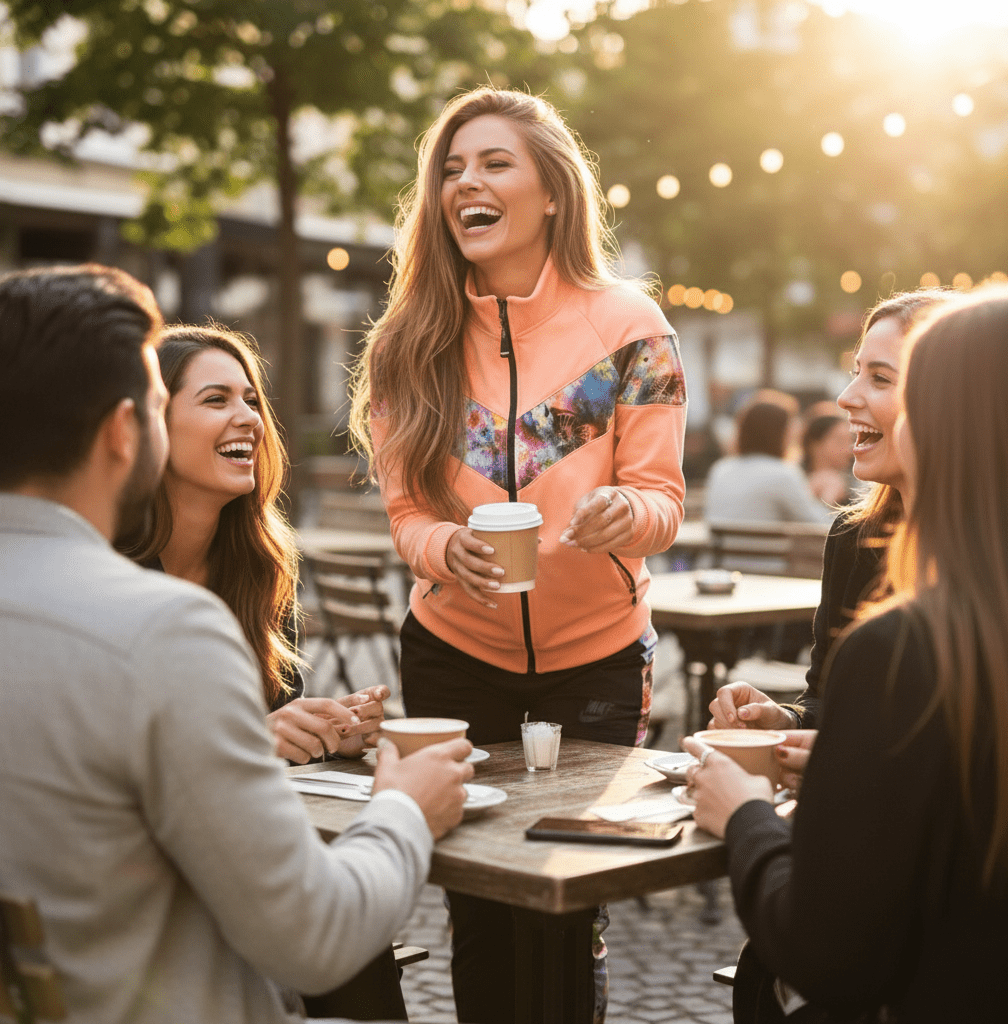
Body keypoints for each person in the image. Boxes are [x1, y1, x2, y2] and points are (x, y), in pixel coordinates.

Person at [0, 264, 474, 1024]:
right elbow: (315, 938)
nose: (246, 418)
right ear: (127, 432)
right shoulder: (158, 629)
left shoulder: (242, 578)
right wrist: (405, 807)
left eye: (251, 399)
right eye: (178, 403)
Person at [348, 87, 687, 1024]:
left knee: (569, 902)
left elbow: (664, 502)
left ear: (551, 192)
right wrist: (442, 547)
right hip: (454, 656)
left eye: (495, 164)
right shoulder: (406, 344)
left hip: (601, 656)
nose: (468, 184)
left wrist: (626, 510)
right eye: (452, 170)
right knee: (479, 904)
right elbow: (407, 514)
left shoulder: (631, 327)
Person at [683, 283, 1008, 1022]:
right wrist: (803, 726)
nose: (844, 400)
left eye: (893, 379)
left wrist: (745, 815)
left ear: (953, 416)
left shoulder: (908, 645)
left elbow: (833, 953)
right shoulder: (886, 569)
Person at [120, 324, 386, 765]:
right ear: (154, 424)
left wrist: (327, 734)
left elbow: (271, 729)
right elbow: (103, 750)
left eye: (251, 400)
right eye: (215, 399)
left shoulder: (261, 566)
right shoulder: (107, 572)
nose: (249, 418)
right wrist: (254, 738)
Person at [709, 290, 949, 731]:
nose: (845, 397)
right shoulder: (852, 536)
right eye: (856, 372)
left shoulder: (997, 551)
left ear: (947, 401)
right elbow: (825, 700)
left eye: (880, 378)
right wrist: (784, 721)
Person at [704, 389, 834, 529]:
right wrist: (828, 496)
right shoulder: (783, 473)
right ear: (780, 433)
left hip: (721, 551)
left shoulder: (721, 469)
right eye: (791, 426)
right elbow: (820, 524)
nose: (796, 433)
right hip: (763, 551)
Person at [801, 413, 854, 506]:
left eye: (850, 442)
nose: (848, 450)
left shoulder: (858, 486)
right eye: (840, 441)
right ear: (814, 444)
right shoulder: (794, 477)